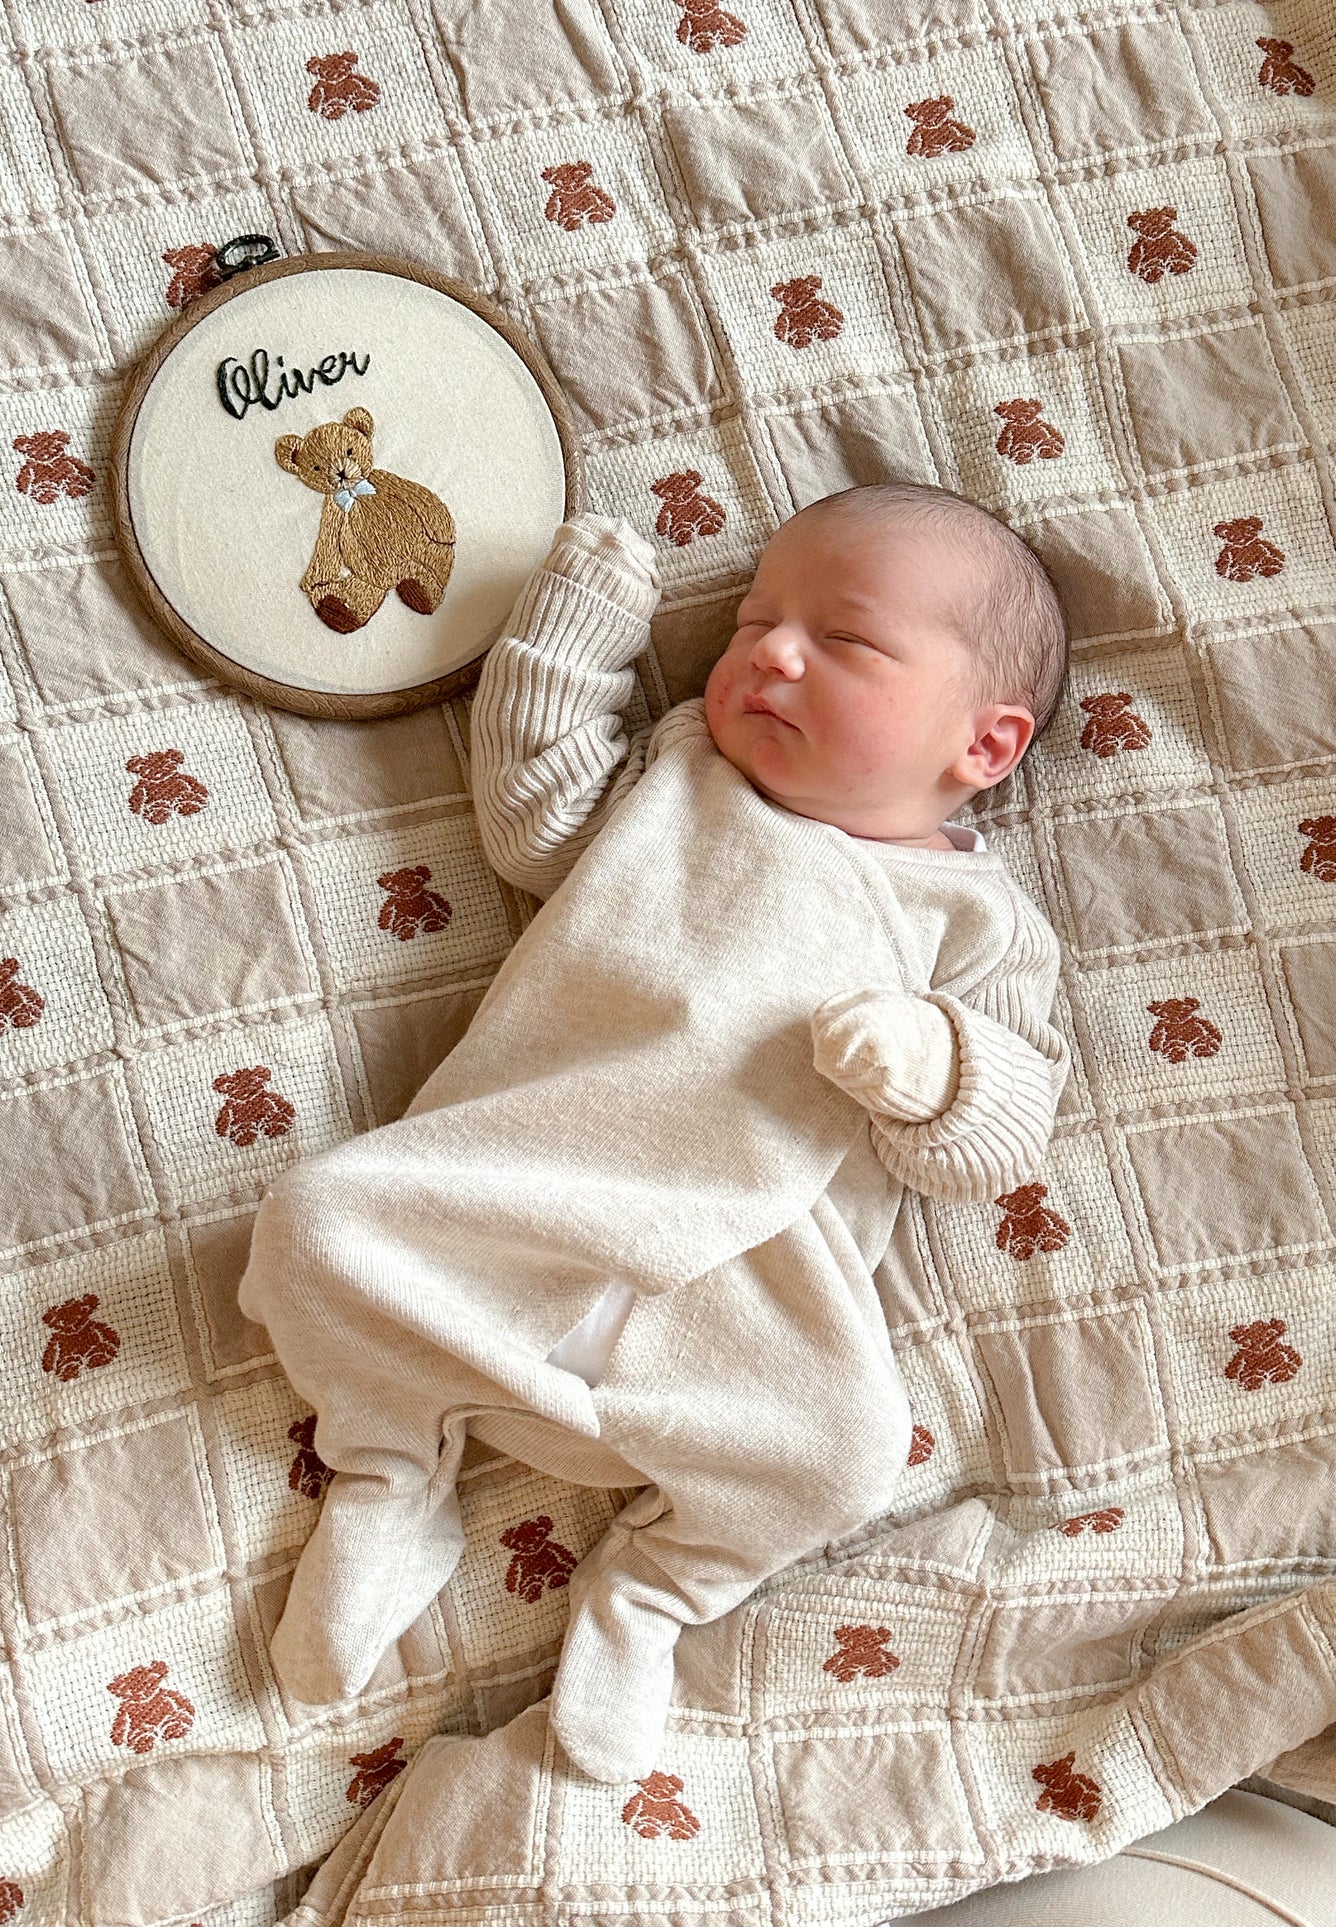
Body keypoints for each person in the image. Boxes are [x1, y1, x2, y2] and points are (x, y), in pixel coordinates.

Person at [238, 483, 1071, 1784]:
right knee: (313, 1227)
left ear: (984, 744)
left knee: (841, 1450)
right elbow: (530, 822)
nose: (769, 653)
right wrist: (572, 631)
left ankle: (656, 1591)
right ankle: (390, 1473)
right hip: (526, 1180)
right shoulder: (677, 776)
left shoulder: (976, 922)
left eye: (842, 642)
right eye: (752, 621)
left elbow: (1000, 1135)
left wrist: (937, 1065)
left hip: (738, 1276)